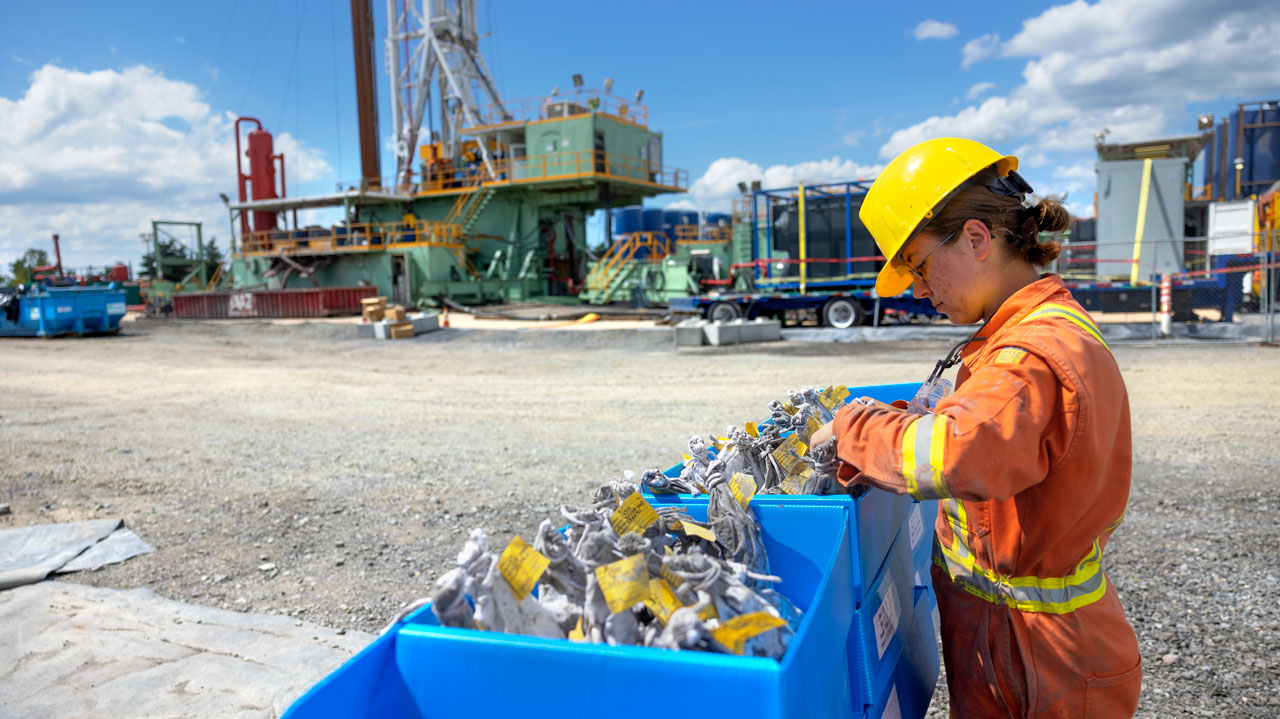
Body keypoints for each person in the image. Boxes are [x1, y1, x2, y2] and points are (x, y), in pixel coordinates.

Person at [811, 138, 1142, 718]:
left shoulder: (1031, 354)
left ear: (975, 238)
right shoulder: (1022, 334)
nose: (917, 288)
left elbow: (955, 452)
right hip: (1014, 649)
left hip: (1041, 669)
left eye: (917, 264)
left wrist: (853, 429)